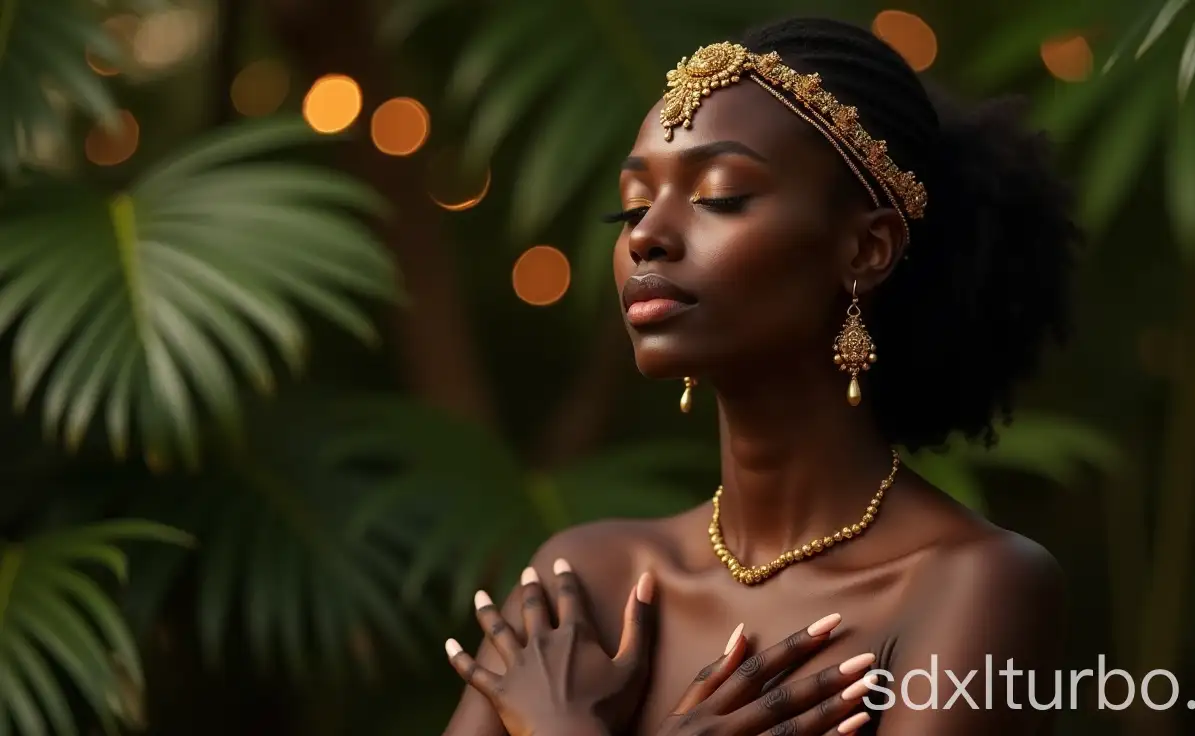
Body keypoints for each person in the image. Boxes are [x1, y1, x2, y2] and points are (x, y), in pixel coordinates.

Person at [443, 14, 1077, 735]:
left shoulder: (976, 585)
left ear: (868, 248)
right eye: (632, 205)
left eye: (719, 194)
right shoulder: (587, 579)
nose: (647, 234)